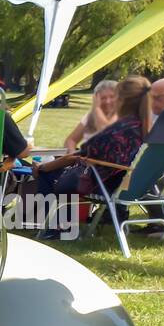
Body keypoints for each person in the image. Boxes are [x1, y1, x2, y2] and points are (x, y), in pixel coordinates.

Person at [32, 74, 151, 240]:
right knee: (63, 172)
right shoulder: (147, 127)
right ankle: (59, 225)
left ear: (120, 99)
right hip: (129, 183)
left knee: (50, 174)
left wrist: (42, 168)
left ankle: (56, 229)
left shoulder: (115, 131)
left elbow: (77, 156)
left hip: (101, 183)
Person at [64, 79, 118, 153]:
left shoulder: (122, 116)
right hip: (87, 161)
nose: (107, 101)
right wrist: (73, 154)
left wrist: (97, 108)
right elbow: (71, 140)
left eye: (112, 97)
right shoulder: (90, 116)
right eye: (103, 98)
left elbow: (106, 134)